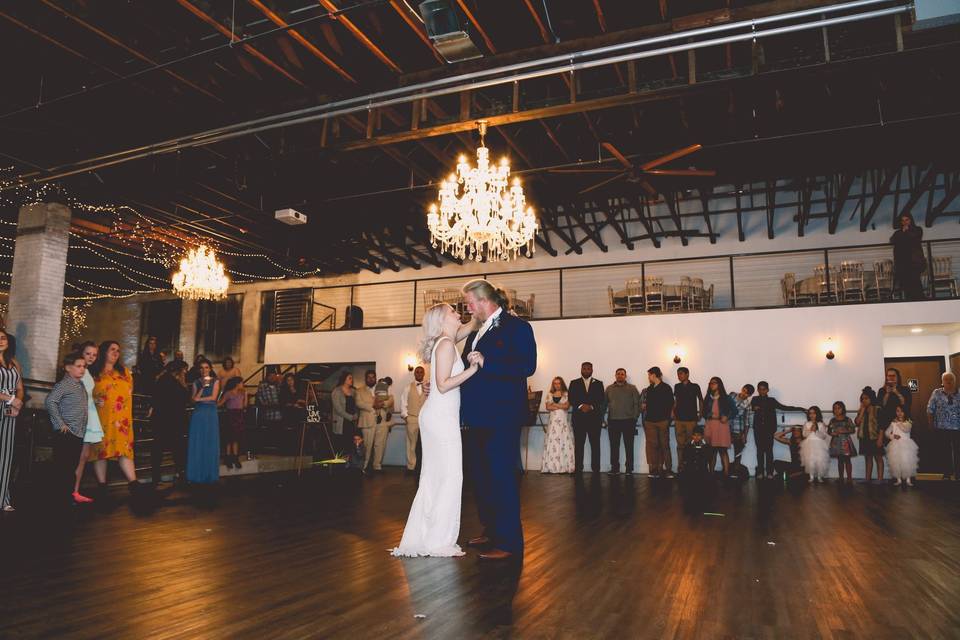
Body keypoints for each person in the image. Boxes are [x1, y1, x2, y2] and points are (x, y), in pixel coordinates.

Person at [391, 303, 480, 557]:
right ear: (442, 319)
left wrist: (480, 308)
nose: (457, 312)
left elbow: (470, 325)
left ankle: (430, 534)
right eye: (453, 310)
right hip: (440, 419)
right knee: (449, 476)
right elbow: (442, 385)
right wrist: (473, 370)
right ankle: (437, 538)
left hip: (441, 417)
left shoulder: (448, 340)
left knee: (438, 477)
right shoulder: (444, 344)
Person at [459, 279, 537, 561]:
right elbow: (468, 370)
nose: (468, 309)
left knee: (502, 478)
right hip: (477, 417)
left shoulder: (518, 327)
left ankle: (508, 542)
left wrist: (487, 362)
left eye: (469, 303)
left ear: (483, 301)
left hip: (502, 416)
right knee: (482, 479)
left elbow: (527, 366)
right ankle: (491, 530)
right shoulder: (476, 333)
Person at [90, 340, 138, 495]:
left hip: (122, 421)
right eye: (112, 349)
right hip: (101, 419)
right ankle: (102, 487)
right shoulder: (93, 373)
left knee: (124, 451)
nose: (116, 352)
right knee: (101, 453)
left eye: (118, 350)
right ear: (104, 352)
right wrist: (92, 400)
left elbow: (129, 393)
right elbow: (84, 393)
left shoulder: (124, 372)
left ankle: (134, 485)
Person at [45, 353, 89, 507]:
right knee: (63, 467)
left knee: (71, 467)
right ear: (68, 368)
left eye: (84, 366)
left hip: (77, 432)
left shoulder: (80, 385)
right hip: (66, 433)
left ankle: (65, 497)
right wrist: (59, 423)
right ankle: (59, 499)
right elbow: (50, 401)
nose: (82, 369)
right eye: (79, 366)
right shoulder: (64, 384)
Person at [750, 381, 804, 479]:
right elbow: (753, 407)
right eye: (760, 389)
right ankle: (760, 472)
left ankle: (770, 472)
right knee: (760, 451)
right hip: (758, 429)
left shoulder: (772, 400)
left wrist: (800, 409)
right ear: (757, 390)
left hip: (769, 430)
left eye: (764, 389)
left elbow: (784, 407)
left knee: (769, 451)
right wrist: (755, 407)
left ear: (767, 390)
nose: (762, 391)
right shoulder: (754, 399)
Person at [72, 342, 103, 503]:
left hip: (90, 414)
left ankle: (75, 491)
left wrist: (95, 401)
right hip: (82, 416)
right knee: (78, 456)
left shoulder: (87, 372)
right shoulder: (78, 370)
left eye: (94, 355)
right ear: (81, 353)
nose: (91, 357)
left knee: (84, 456)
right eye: (88, 353)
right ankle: (72, 491)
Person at [150, 361, 190, 485]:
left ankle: (157, 477)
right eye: (184, 370)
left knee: (160, 448)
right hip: (170, 419)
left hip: (162, 419)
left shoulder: (163, 379)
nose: (186, 372)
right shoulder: (172, 381)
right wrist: (184, 385)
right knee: (175, 448)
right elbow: (183, 398)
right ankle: (179, 474)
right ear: (179, 370)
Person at [0, 330, 24, 512]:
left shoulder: (14, 362)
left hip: (10, 411)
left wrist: (18, 403)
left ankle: (3, 497)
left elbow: (20, 387)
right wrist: (10, 400)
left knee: (6, 455)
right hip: (4, 403)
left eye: (3, 338)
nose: (0, 341)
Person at [186, 359, 220, 485]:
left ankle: (209, 474)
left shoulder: (216, 381)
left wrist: (199, 398)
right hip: (199, 414)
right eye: (201, 368)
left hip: (210, 413)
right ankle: (196, 474)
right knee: (198, 442)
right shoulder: (196, 382)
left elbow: (214, 398)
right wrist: (202, 388)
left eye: (206, 367)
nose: (204, 370)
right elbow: (192, 400)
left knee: (209, 442)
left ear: (210, 369)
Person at [568, 362, 605, 474]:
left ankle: (596, 469)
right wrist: (581, 406)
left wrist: (591, 406)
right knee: (579, 445)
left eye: (588, 368)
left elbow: (601, 399)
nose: (586, 370)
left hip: (594, 419)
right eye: (584, 368)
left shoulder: (598, 383)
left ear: (592, 370)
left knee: (595, 445)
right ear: (581, 369)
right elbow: (571, 398)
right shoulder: (574, 383)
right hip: (579, 419)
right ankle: (578, 469)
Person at [605, 368, 641, 475]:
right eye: (618, 374)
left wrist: (634, 418)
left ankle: (629, 469)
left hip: (628, 421)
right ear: (615, 376)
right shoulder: (609, 389)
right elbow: (603, 404)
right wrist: (602, 419)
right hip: (613, 421)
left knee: (629, 446)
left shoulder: (632, 388)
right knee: (614, 446)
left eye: (622, 374)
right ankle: (615, 468)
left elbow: (637, 404)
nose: (620, 376)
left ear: (625, 376)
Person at [643, 367, 675, 478]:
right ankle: (654, 470)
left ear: (654, 375)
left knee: (665, 445)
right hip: (650, 421)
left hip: (662, 421)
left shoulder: (666, 388)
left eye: (649, 375)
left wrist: (667, 419)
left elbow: (671, 404)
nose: (648, 377)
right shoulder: (649, 388)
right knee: (653, 446)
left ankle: (668, 470)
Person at [927, 372, 959, 480]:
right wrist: (931, 424)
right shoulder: (936, 393)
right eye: (946, 380)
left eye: (951, 379)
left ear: (955, 381)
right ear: (942, 382)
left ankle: (958, 474)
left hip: (957, 428)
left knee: (958, 451)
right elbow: (930, 409)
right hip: (941, 428)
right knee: (944, 451)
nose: (949, 382)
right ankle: (946, 474)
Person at [355, 370, 388, 473]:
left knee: (380, 445)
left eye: (373, 377)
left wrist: (384, 404)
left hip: (381, 421)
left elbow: (389, 400)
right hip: (367, 421)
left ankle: (377, 466)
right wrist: (373, 406)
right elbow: (359, 403)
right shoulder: (359, 390)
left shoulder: (381, 388)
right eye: (369, 377)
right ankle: (363, 467)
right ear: (366, 378)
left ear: (375, 378)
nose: (371, 379)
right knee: (367, 446)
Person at [890, 212, 926, 300]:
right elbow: (892, 240)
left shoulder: (917, 229)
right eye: (903, 221)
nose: (905, 222)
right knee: (906, 286)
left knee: (916, 284)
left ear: (911, 220)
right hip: (903, 263)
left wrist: (906, 232)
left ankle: (921, 302)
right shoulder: (898, 232)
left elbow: (915, 237)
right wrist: (903, 232)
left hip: (914, 263)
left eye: (907, 220)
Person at [542, 377, 575, 474]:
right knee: (552, 442)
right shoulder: (549, 394)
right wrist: (560, 406)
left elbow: (567, 406)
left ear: (562, 384)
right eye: (555, 383)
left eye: (559, 383)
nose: (557, 385)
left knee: (564, 441)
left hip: (563, 422)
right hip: (553, 423)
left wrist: (555, 405)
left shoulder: (566, 394)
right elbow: (548, 407)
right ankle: (551, 466)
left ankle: (564, 466)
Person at [702, 377, 734, 478]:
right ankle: (711, 473)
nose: (712, 385)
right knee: (711, 451)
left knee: (723, 450)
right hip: (710, 425)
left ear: (719, 384)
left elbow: (734, 411)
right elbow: (703, 413)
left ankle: (726, 474)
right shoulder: (708, 398)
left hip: (722, 426)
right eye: (710, 383)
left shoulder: (726, 397)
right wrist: (709, 415)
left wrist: (727, 417)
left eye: (714, 383)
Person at [673, 367, 703, 469]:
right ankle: (680, 466)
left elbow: (700, 400)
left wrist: (701, 414)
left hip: (691, 419)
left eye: (681, 373)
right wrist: (673, 413)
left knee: (690, 443)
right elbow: (675, 401)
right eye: (678, 374)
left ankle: (690, 466)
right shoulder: (677, 386)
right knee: (680, 444)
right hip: (679, 419)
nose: (679, 376)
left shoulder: (695, 386)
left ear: (687, 374)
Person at [399, 366, 427, 474]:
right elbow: (403, 403)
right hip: (412, 419)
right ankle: (412, 467)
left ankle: (423, 468)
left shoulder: (429, 386)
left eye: (421, 372)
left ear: (424, 373)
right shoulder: (408, 387)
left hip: (425, 420)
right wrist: (406, 417)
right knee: (412, 444)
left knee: (425, 444)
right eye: (417, 372)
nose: (419, 373)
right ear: (414, 374)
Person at [855, 387, 885, 483]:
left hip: (875, 437)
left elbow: (882, 425)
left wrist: (880, 438)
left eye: (866, 398)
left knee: (878, 457)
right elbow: (857, 422)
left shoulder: (877, 409)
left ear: (871, 398)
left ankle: (880, 479)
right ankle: (867, 478)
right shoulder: (861, 410)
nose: (864, 400)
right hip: (865, 437)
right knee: (868, 458)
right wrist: (862, 411)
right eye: (862, 399)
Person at [886, 405, 919, 486]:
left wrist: (898, 423)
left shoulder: (908, 422)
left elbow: (905, 429)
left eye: (901, 411)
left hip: (906, 445)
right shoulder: (893, 423)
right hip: (895, 445)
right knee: (896, 462)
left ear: (905, 412)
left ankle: (908, 479)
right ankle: (898, 479)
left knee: (906, 461)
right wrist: (893, 436)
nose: (899, 413)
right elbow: (886, 433)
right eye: (897, 411)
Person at [218, 376, 246, 470]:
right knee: (229, 438)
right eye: (241, 383)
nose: (243, 384)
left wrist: (245, 395)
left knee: (236, 438)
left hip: (239, 415)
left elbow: (244, 405)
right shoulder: (228, 393)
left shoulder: (242, 393)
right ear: (237, 384)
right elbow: (220, 403)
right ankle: (228, 458)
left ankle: (235, 457)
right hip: (230, 416)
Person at [728, 384, 755, 477]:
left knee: (738, 450)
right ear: (742, 389)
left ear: (750, 395)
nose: (744, 394)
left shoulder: (748, 404)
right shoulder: (732, 395)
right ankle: (726, 471)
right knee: (722, 449)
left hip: (738, 428)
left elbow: (747, 422)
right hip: (725, 426)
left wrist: (745, 435)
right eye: (744, 390)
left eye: (747, 393)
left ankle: (736, 471)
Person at [828, 401, 857, 484]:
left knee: (847, 460)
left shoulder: (847, 419)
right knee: (840, 460)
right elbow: (829, 431)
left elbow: (853, 429)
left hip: (845, 442)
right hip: (836, 442)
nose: (837, 410)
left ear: (843, 409)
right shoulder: (832, 420)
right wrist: (833, 433)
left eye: (839, 408)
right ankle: (841, 477)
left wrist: (845, 430)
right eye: (835, 408)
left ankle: (849, 477)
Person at [800, 406, 829, 483]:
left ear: (817, 414)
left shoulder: (821, 424)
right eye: (810, 413)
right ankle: (811, 477)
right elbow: (804, 435)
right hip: (809, 444)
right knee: (810, 460)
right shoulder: (806, 424)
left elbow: (823, 436)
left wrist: (816, 431)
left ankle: (819, 477)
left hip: (819, 444)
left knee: (820, 460)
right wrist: (810, 430)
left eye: (814, 413)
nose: (812, 415)